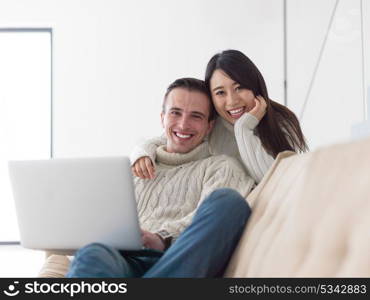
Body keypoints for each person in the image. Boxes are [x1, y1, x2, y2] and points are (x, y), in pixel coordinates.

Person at [66, 78, 254, 278]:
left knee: (229, 202)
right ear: (162, 117)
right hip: (121, 263)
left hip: (177, 259)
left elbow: (213, 220)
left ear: (209, 126)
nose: (183, 124)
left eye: (196, 116)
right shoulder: (131, 168)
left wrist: (162, 237)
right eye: (175, 113)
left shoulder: (221, 167)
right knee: (91, 253)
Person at [131, 49, 308, 184]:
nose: (232, 101)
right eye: (220, 92)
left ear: (254, 86)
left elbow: (271, 183)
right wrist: (141, 154)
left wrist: (243, 128)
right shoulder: (210, 124)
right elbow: (164, 139)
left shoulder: (281, 122)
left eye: (239, 88)